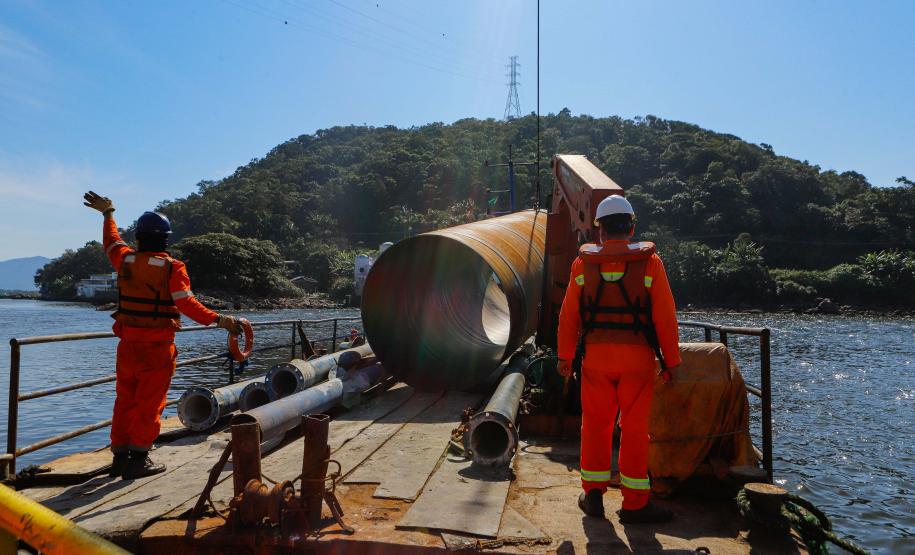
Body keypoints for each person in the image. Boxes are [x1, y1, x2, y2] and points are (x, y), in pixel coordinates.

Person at [83, 191, 243, 480]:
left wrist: (108, 213)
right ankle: (139, 460)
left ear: (140, 237)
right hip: (157, 348)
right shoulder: (172, 268)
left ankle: (119, 458)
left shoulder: (126, 260)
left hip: (128, 346)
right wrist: (221, 320)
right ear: (166, 239)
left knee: (125, 400)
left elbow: (112, 242)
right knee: (150, 403)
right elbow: (186, 304)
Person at [556, 195, 681, 523]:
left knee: (595, 426)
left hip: (596, 359)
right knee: (635, 430)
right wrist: (671, 362)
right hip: (638, 361)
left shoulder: (582, 265)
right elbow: (666, 317)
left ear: (600, 231)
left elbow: (568, 316)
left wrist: (565, 356)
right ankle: (636, 505)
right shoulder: (651, 264)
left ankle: (593, 495)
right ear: (632, 227)